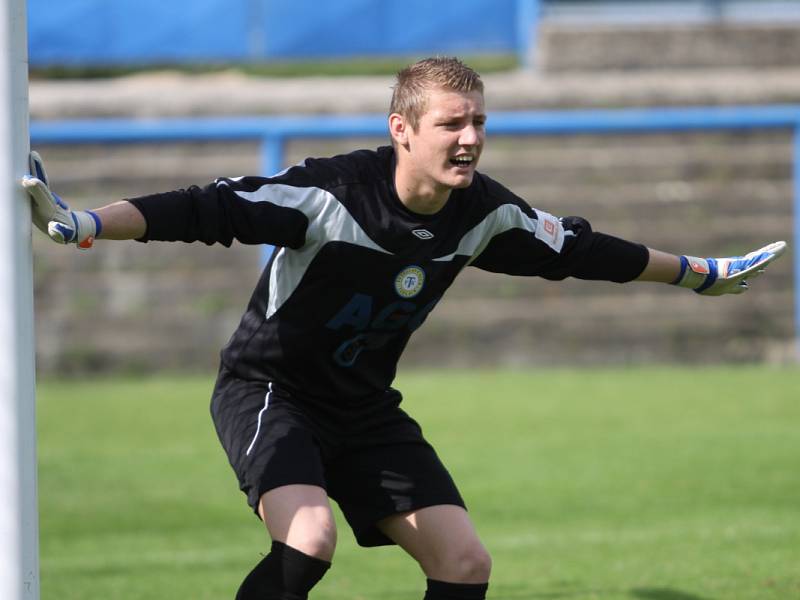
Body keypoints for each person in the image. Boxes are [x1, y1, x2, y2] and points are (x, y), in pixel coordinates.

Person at [24, 57, 785, 600]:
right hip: (269, 391)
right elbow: (198, 208)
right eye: (452, 122)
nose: (471, 138)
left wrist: (696, 273)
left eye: (479, 121)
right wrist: (84, 223)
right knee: (308, 539)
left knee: (464, 563)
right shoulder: (329, 193)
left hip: (363, 409)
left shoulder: (483, 212)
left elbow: (584, 253)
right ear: (403, 129)